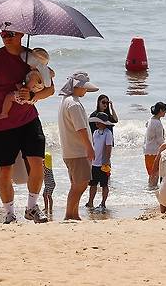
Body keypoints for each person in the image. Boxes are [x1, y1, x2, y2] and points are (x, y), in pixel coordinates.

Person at [0, 28, 54, 224]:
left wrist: (33, 96)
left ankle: (32, 207)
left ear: (21, 34)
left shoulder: (33, 58)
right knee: (6, 171)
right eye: (3, 34)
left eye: (11, 34)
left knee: (38, 163)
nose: (7, 38)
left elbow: (50, 90)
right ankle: (9, 213)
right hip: (0, 124)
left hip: (28, 119)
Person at [58, 71, 99, 220]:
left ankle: (74, 214)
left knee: (76, 183)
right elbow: (80, 128)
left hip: (70, 150)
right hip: (77, 151)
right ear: (76, 86)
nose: (86, 90)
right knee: (80, 184)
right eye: (84, 87)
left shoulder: (66, 101)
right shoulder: (73, 104)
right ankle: (70, 214)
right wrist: (89, 147)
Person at [0, 47, 53, 120]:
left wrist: (20, 85)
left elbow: (26, 88)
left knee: (9, 97)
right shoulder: (44, 73)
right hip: (33, 95)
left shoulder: (34, 76)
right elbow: (51, 75)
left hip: (26, 96)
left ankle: (4, 113)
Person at [86, 112, 114, 212]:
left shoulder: (108, 133)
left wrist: (106, 161)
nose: (96, 123)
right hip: (94, 163)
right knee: (93, 184)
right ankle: (90, 202)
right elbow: (93, 146)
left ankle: (103, 203)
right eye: (96, 122)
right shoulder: (95, 132)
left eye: (99, 122)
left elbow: (108, 147)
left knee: (104, 185)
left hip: (103, 163)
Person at [144, 102, 166, 188]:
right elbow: (159, 140)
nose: (165, 112)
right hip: (154, 151)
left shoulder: (150, 120)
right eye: (165, 110)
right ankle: (152, 192)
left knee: (151, 174)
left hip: (147, 150)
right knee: (155, 174)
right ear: (160, 110)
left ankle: (150, 191)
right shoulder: (158, 123)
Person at [42, 152, 55, 216]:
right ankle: (46, 208)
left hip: (51, 183)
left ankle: (50, 209)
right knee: (44, 195)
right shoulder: (47, 167)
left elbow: (43, 174)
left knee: (49, 196)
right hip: (48, 184)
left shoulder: (47, 168)